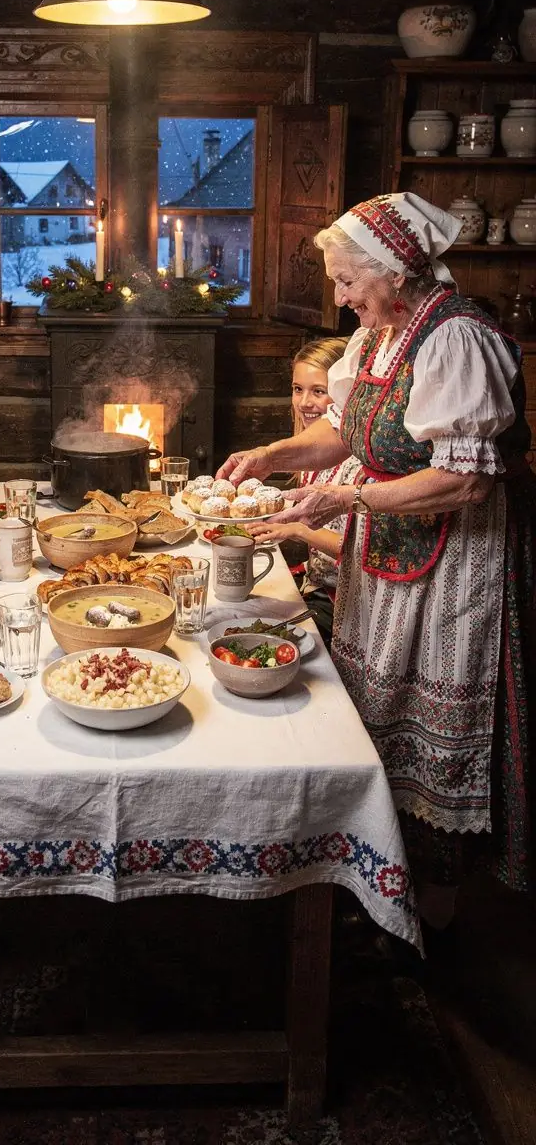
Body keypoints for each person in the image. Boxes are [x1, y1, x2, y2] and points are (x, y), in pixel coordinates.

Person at [217, 192, 535, 927]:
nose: (339, 297)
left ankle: (437, 915)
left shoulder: (455, 339)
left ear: (392, 272)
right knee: (372, 709)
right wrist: (270, 454)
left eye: (346, 281)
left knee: (434, 718)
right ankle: (370, 872)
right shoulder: (378, 338)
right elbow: (342, 432)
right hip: (388, 550)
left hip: (459, 565)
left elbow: (464, 478)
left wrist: (350, 504)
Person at [254, 338, 359, 644]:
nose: (304, 402)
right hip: (313, 585)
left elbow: (356, 547)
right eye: (298, 389)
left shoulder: (359, 461)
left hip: (344, 601)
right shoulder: (311, 456)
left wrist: (296, 530)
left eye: (319, 391)